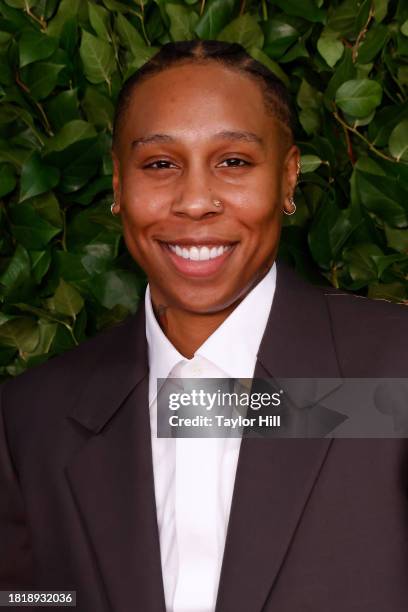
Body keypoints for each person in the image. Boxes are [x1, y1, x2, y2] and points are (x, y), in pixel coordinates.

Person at [1, 40, 408, 612]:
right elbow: (30, 599)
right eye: (160, 164)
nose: (195, 202)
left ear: (288, 178)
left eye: (234, 162)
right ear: (118, 183)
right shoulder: (31, 419)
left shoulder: (395, 378)